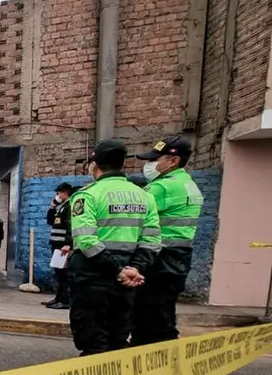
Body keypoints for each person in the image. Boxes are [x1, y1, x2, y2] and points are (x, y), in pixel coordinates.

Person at [68, 139, 161, 356]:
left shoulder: (88, 195)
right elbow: (152, 241)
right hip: (128, 279)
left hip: (93, 274)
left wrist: (118, 270)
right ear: (123, 165)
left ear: (94, 164)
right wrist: (134, 269)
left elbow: (86, 240)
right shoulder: (145, 196)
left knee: (92, 339)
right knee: (118, 338)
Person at [131, 136, 203, 349]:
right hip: (179, 257)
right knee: (163, 311)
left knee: (146, 314)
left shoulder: (162, 188)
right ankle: (167, 356)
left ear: (173, 161)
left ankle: (150, 360)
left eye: (156, 159)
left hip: (158, 258)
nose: (150, 164)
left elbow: (137, 218)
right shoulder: (188, 185)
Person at [44, 182, 74, 310]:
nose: (57, 196)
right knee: (58, 272)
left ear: (65, 193)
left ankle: (65, 300)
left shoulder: (69, 206)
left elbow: (70, 226)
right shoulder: (60, 207)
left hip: (63, 245)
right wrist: (52, 207)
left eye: (59, 193)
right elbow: (50, 222)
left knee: (64, 273)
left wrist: (68, 243)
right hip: (56, 244)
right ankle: (58, 298)